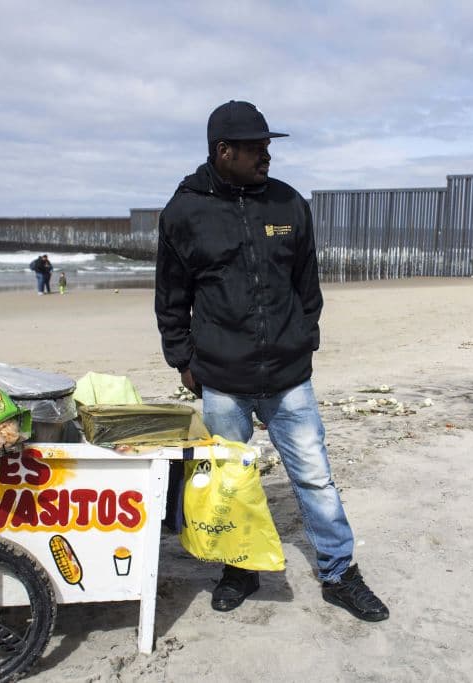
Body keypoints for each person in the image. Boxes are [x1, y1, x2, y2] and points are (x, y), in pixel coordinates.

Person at [155, 100, 389, 622]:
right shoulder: (184, 212)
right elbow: (171, 296)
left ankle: (338, 573)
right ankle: (239, 569)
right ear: (224, 151)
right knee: (229, 481)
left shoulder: (288, 203)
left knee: (315, 477)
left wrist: (306, 335)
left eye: (267, 145)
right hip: (221, 378)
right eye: (256, 147)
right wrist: (182, 360)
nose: (267, 155)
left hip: (288, 376)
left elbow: (307, 281)